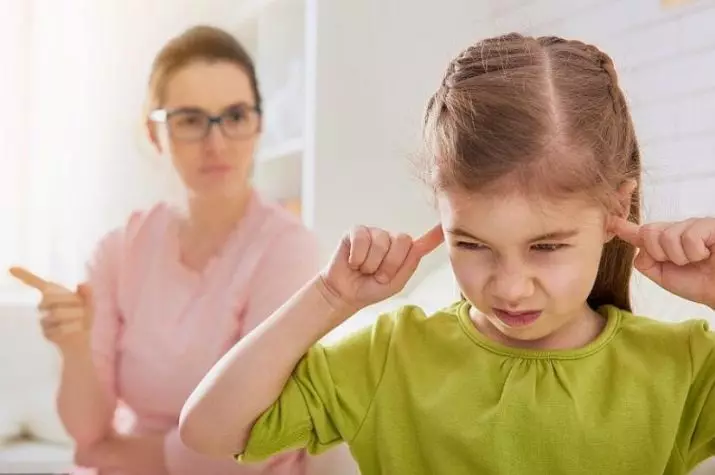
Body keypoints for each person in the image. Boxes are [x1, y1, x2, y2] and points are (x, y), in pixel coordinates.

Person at [178, 32, 715, 475]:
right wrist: (329, 297)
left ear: (616, 209)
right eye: (472, 244)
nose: (509, 286)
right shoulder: (389, 355)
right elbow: (208, 432)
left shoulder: (683, 366)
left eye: (546, 246)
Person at [10, 25, 325, 475]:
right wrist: (74, 347)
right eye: (190, 120)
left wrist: (127, 456)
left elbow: (260, 435)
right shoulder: (118, 251)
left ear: (258, 124)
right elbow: (85, 433)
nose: (216, 143)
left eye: (235, 116)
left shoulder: (289, 250)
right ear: (154, 132)